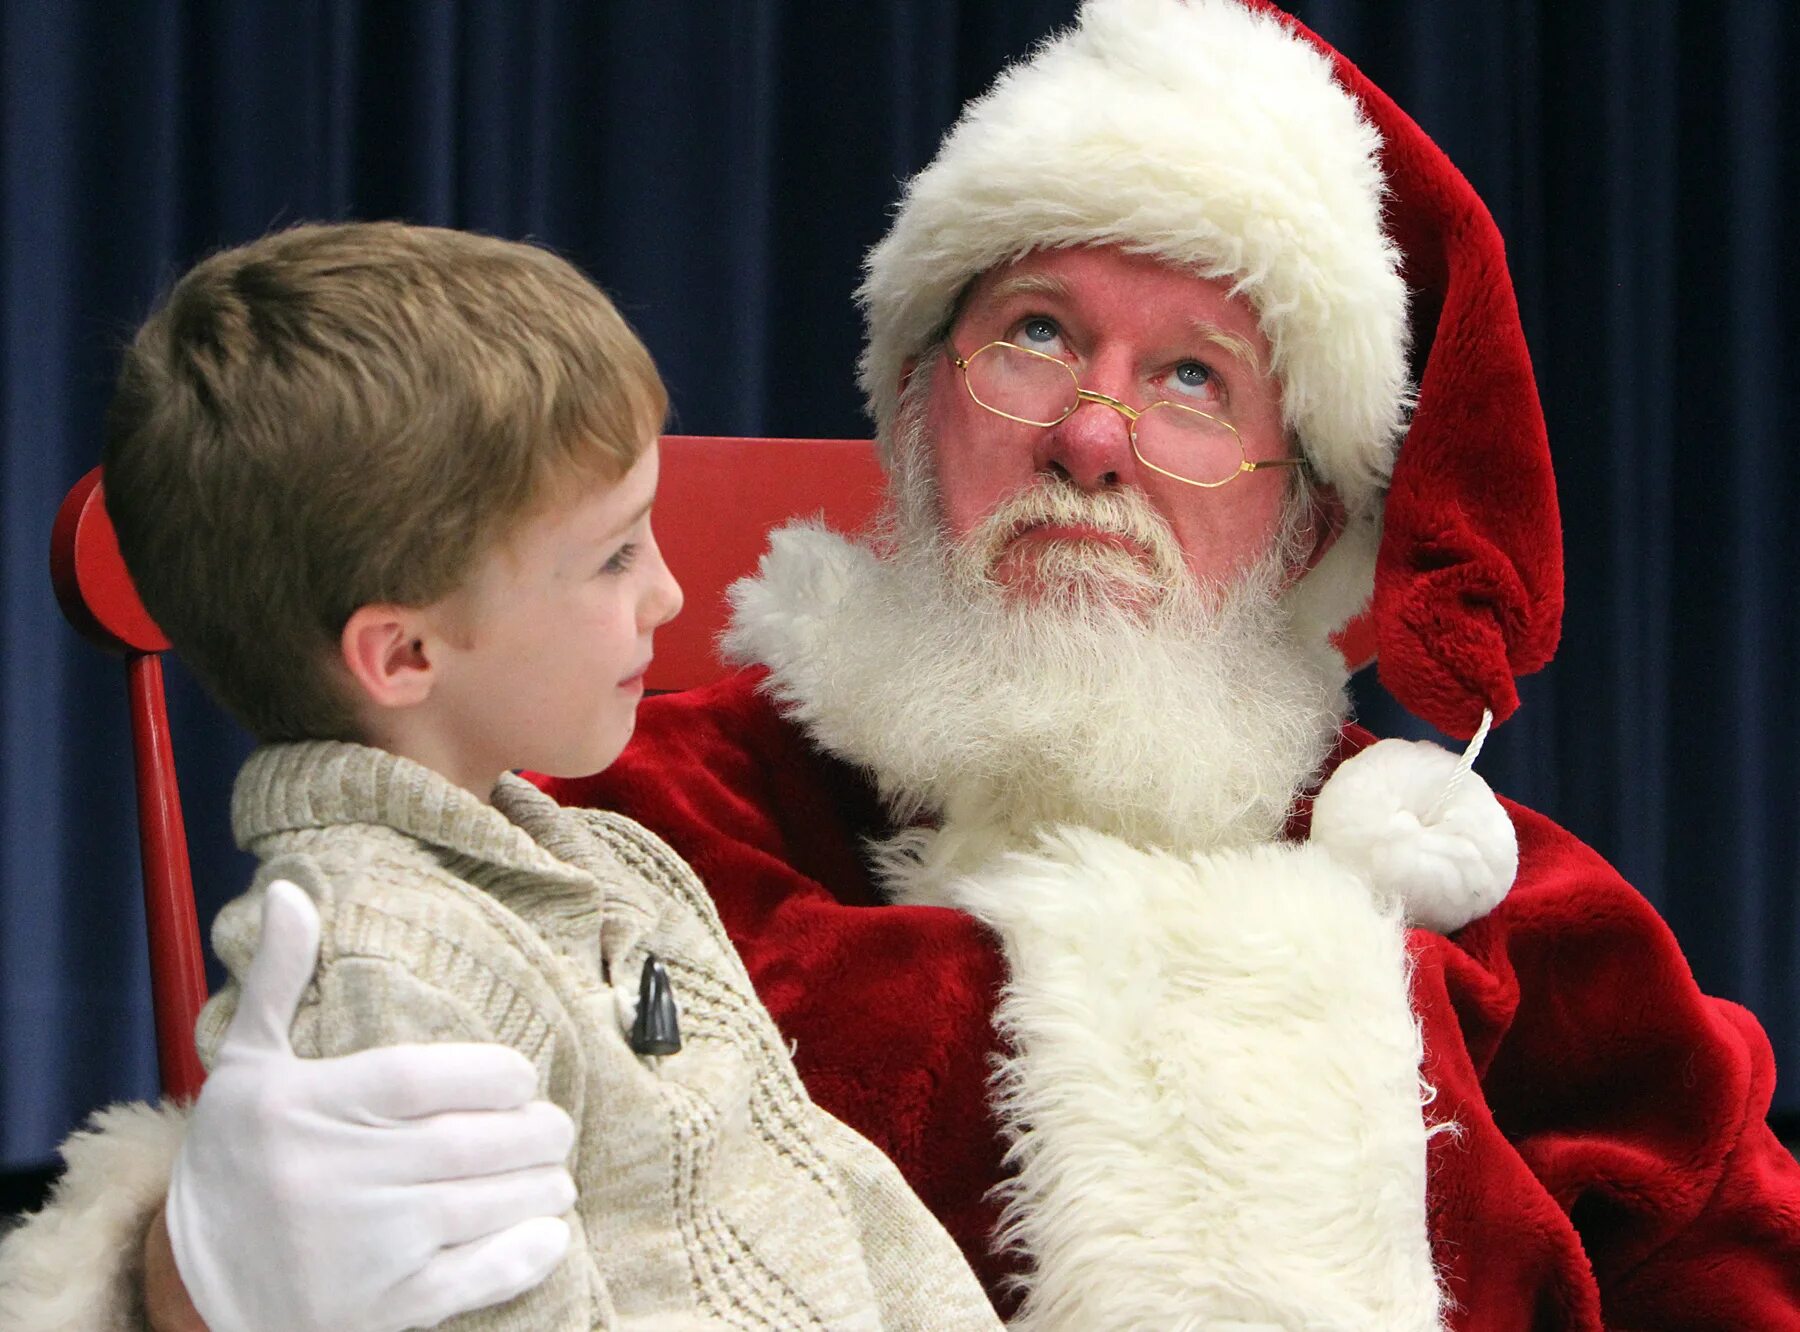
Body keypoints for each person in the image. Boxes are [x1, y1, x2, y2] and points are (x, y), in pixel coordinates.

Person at [8, 1, 1800, 1328]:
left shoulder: (1501, 916)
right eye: (1035, 333)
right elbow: (342, 1108)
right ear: (922, 406)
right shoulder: (628, 822)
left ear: (1307, 511)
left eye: (1195, 380)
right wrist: (184, 1284)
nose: (1095, 436)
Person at [0, 222, 999, 1332]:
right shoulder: (387, 977)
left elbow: (834, 1192)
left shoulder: (606, 864)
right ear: (404, 655)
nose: (669, 594)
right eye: (616, 554)